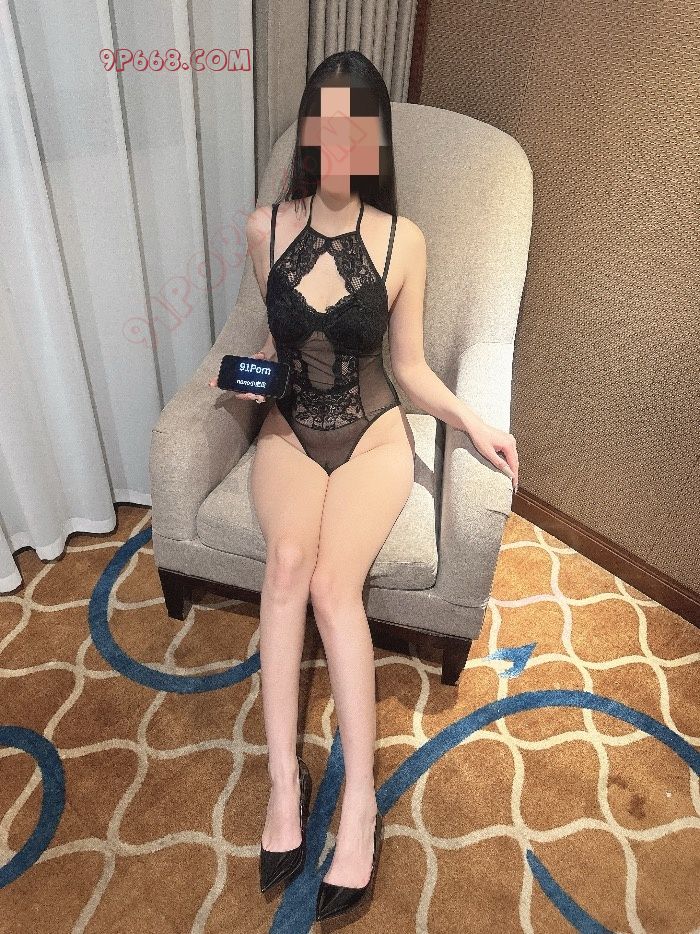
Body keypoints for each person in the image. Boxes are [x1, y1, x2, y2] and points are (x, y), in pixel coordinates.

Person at [210, 50, 519, 922]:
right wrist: (243, 380)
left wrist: (473, 424)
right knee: (286, 565)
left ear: (375, 137)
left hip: (375, 434)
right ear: (309, 130)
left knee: (333, 585)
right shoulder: (264, 227)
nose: (340, 140)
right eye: (326, 121)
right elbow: (272, 343)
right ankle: (284, 782)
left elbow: (409, 369)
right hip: (289, 429)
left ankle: (358, 804)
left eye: (358, 125)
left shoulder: (401, 238)